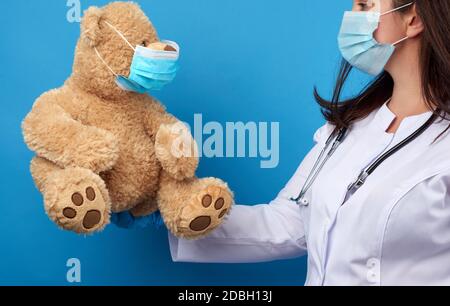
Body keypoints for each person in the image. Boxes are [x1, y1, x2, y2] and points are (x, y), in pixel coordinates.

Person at [168, 0, 450, 286]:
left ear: (413, 20)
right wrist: (173, 210)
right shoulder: (346, 129)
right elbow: (290, 222)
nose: (351, 17)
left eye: (364, 5)